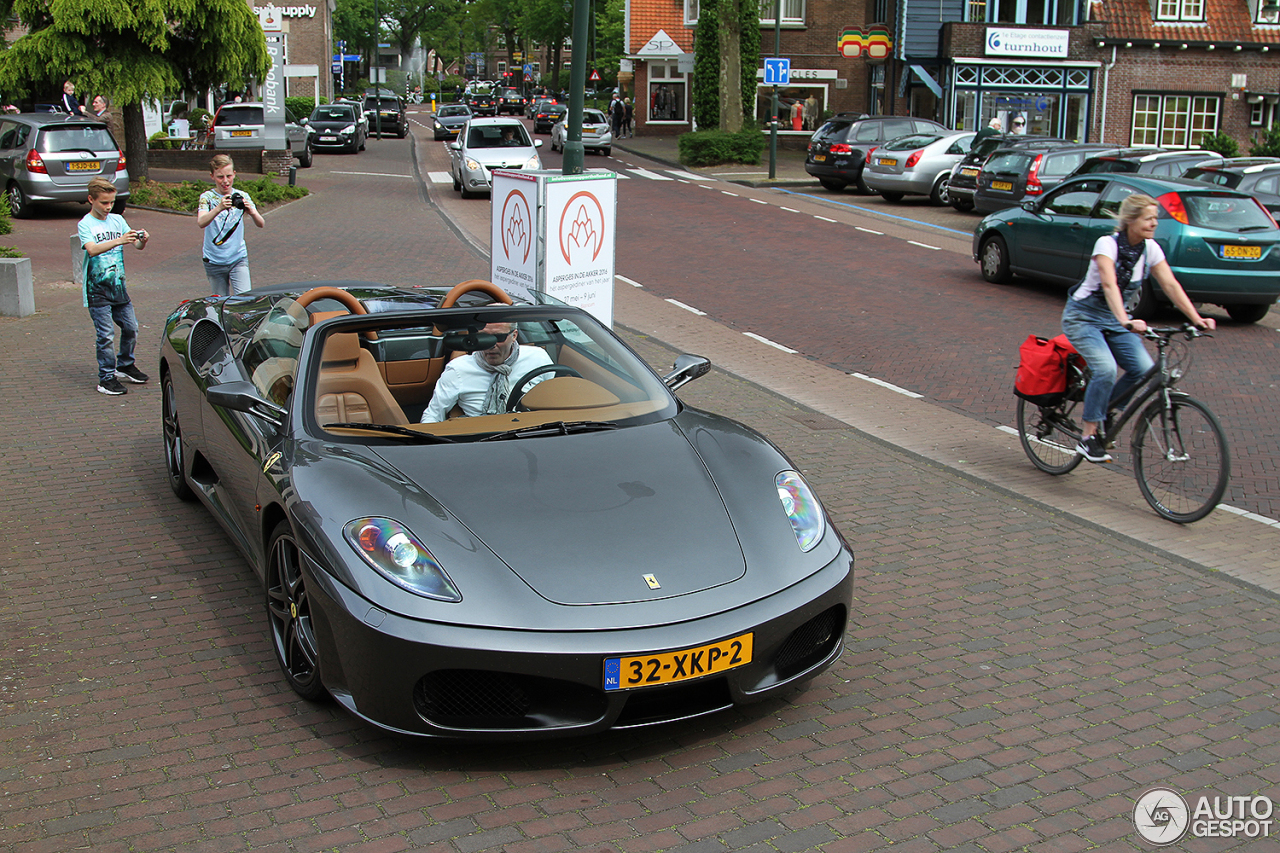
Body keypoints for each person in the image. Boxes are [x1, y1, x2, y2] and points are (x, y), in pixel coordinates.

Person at [1061, 193, 1215, 463]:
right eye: (1148, 218)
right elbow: (1108, 284)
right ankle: (1087, 438)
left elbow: (1170, 284)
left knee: (1144, 370)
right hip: (1084, 317)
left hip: (1118, 319)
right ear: (1131, 220)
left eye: (1156, 218)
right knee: (1106, 368)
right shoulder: (1106, 244)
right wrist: (1125, 320)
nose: (1154, 223)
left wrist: (1196, 318)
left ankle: (1107, 409)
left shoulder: (1150, 249)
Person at [78, 176, 149, 396]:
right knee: (106, 335)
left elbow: (136, 245)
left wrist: (143, 239)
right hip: (97, 290)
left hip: (118, 288)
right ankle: (106, 378)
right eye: (104, 203)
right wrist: (119, 240)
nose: (108, 207)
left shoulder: (117, 220)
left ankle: (125, 365)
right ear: (91, 199)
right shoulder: (85, 224)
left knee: (131, 328)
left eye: (111, 202)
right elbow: (91, 249)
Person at [420, 322, 553, 423]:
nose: (490, 345)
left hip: (533, 434)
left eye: (498, 337)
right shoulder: (458, 370)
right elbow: (433, 415)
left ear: (514, 336)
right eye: (484, 337)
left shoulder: (538, 358)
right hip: (480, 441)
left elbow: (555, 400)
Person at [197, 154, 264, 296]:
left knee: (245, 300)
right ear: (212, 176)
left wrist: (252, 212)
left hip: (237, 257)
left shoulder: (242, 195)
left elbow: (261, 223)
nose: (225, 181)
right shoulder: (207, 198)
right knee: (222, 304)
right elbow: (201, 222)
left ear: (234, 174)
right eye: (220, 177)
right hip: (214, 260)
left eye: (229, 176)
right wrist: (218, 208)